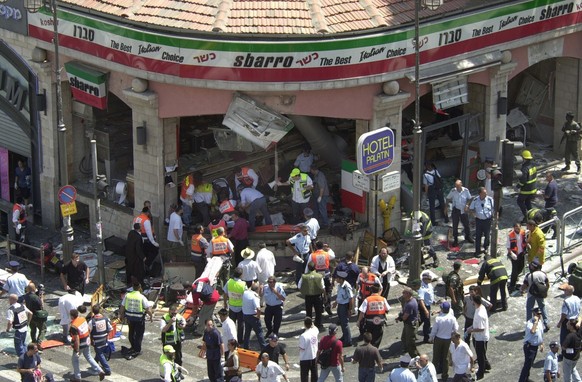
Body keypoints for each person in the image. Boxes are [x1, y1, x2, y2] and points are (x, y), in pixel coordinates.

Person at [119, 281, 153, 359]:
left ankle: (133, 347)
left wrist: (122, 315)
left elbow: (122, 307)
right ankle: (137, 349)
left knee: (131, 333)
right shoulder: (142, 297)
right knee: (138, 335)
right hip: (139, 319)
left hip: (130, 318)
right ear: (140, 288)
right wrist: (151, 316)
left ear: (133, 288)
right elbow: (148, 308)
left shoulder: (127, 296)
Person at [69, 307, 105, 381]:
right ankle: (100, 370)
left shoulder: (73, 326)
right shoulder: (82, 319)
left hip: (81, 344)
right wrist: (91, 339)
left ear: (72, 316)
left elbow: (76, 339)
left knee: (75, 360)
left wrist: (76, 350)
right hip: (87, 341)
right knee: (88, 356)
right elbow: (88, 329)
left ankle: (77, 377)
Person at [429, 301, 458, 381]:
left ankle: (432, 375)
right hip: (448, 339)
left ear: (442, 309)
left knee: (436, 357)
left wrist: (431, 338)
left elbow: (434, 330)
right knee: (445, 358)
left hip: (438, 339)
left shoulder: (438, 318)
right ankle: (445, 375)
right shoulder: (452, 318)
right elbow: (456, 329)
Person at [357, 283, 390, 348]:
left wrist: (358, 321)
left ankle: (370, 350)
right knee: (377, 338)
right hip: (380, 323)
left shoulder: (367, 299)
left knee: (369, 337)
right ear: (379, 290)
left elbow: (362, 312)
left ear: (371, 291)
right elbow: (387, 309)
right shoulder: (383, 299)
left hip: (369, 322)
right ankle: (374, 351)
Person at [518, 306, 545, 382]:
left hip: (535, 346)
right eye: (538, 314)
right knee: (527, 365)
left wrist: (541, 343)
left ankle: (526, 378)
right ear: (534, 314)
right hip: (529, 347)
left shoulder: (540, 322)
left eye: (540, 314)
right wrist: (535, 322)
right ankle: (522, 380)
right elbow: (532, 331)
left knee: (529, 364)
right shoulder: (530, 323)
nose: (539, 315)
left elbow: (540, 333)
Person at [522, 259, 550, 332]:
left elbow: (525, 285)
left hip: (531, 294)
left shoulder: (529, 275)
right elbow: (547, 284)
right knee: (542, 307)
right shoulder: (543, 274)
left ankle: (529, 324)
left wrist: (521, 290)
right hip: (540, 294)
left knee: (529, 308)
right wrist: (545, 291)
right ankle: (546, 323)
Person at [308, 241, 335, 315]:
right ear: (323, 246)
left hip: (317, 276)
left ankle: (320, 307)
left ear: (316, 247)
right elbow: (333, 255)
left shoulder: (312, 255)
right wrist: (328, 248)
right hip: (326, 275)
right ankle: (328, 306)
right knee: (328, 291)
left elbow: (308, 265)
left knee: (318, 292)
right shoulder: (327, 254)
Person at [467, 295, 489, 380]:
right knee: (482, 354)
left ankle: (481, 373)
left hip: (481, 338)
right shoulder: (481, 307)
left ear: (474, 302)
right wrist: (471, 327)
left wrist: (471, 330)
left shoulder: (480, 314)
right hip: (479, 337)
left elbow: (481, 328)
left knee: (480, 356)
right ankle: (487, 366)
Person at [133, 206, 160, 274]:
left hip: (137, 240)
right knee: (155, 250)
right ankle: (146, 265)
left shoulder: (136, 218)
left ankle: (142, 267)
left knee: (143, 253)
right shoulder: (146, 220)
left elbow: (133, 230)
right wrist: (154, 242)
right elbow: (149, 233)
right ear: (147, 212)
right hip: (145, 240)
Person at [446, 179, 473, 246]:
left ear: (461, 185)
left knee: (466, 224)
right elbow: (447, 198)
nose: (457, 187)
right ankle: (455, 239)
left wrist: (467, 205)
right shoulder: (453, 191)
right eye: (456, 186)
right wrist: (447, 206)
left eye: (458, 186)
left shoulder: (466, 191)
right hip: (456, 210)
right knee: (455, 225)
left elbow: (470, 198)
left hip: (463, 210)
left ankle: (468, 236)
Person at [224, 267, 247, 343]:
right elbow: (246, 295)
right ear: (241, 275)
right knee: (240, 325)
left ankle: (232, 339)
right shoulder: (243, 284)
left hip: (231, 306)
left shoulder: (229, 282)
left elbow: (225, 293)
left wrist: (225, 303)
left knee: (231, 324)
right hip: (241, 308)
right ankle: (240, 340)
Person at [469, 186, 494, 256]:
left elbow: (494, 208)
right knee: (478, 236)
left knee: (487, 235)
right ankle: (477, 251)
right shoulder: (475, 200)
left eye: (486, 193)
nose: (486, 194)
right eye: (484, 193)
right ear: (480, 194)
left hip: (487, 220)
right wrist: (474, 215)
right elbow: (470, 209)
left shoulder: (490, 199)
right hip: (479, 221)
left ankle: (486, 247)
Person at [299, 262, 325, 329]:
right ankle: (318, 324)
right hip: (317, 296)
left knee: (308, 312)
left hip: (308, 296)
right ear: (315, 267)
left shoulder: (304, 276)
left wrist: (304, 290)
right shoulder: (319, 276)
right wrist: (325, 295)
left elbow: (299, 286)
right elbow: (323, 287)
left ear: (308, 267)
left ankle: (308, 325)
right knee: (318, 312)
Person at [89, 304, 112, 377]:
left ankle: (107, 369)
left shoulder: (91, 321)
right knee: (99, 352)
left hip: (96, 340)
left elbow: (88, 331)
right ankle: (95, 363)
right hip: (104, 339)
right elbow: (110, 328)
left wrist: (91, 340)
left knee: (100, 354)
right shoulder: (105, 319)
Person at [242, 282, 267, 351]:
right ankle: (264, 347)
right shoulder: (255, 296)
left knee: (247, 332)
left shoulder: (245, 293)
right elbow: (258, 308)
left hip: (245, 315)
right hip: (253, 316)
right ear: (257, 289)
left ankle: (245, 346)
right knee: (259, 332)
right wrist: (258, 316)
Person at [396, 287, 419, 358]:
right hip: (408, 323)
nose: (402, 294)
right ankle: (407, 351)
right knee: (404, 338)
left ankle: (415, 357)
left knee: (410, 343)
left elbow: (405, 317)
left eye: (404, 293)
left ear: (408, 294)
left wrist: (400, 318)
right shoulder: (409, 300)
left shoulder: (410, 304)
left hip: (410, 325)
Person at [23, 283, 47, 349]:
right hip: (38, 316)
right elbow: (41, 306)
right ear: (34, 288)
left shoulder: (26, 296)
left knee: (33, 330)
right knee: (43, 329)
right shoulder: (36, 297)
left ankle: (33, 341)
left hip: (30, 316)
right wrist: (41, 297)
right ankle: (39, 342)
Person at [333, 271, 354, 347]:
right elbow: (339, 295)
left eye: (337, 278)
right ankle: (344, 336)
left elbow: (351, 298)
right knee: (342, 322)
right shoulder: (340, 285)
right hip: (340, 305)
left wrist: (350, 309)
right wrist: (336, 303)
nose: (335, 279)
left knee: (345, 324)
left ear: (341, 279)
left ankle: (348, 341)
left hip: (344, 306)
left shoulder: (346, 286)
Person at [517, 150, 538, 223]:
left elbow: (523, 180)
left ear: (524, 158)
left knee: (519, 201)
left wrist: (517, 186)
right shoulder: (533, 165)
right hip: (533, 188)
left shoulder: (525, 168)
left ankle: (526, 217)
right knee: (528, 202)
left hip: (526, 189)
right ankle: (532, 217)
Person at [507, 222, 527, 292]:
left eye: (518, 227)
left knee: (521, 267)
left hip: (521, 253)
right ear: (514, 228)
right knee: (514, 270)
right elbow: (508, 246)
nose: (517, 229)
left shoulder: (523, 232)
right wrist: (511, 253)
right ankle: (512, 285)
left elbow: (525, 241)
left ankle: (515, 277)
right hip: (514, 255)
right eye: (516, 227)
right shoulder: (510, 235)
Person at [299, 317, 319, 382]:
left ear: (304, 324)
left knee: (304, 376)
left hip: (305, 358)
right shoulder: (315, 331)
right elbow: (315, 328)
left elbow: (302, 348)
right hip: (313, 356)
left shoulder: (303, 336)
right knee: (314, 374)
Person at [418, 272, 435, 343]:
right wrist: (425, 310)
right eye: (429, 279)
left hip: (428, 305)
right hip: (423, 307)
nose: (431, 280)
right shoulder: (421, 288)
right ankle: (426, 338)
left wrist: (433, 300)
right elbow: (421, 300)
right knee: (427, 322)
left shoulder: (429, 285)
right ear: (425, 279)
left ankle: (412, 331)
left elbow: (431, 293)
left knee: (422, 320)